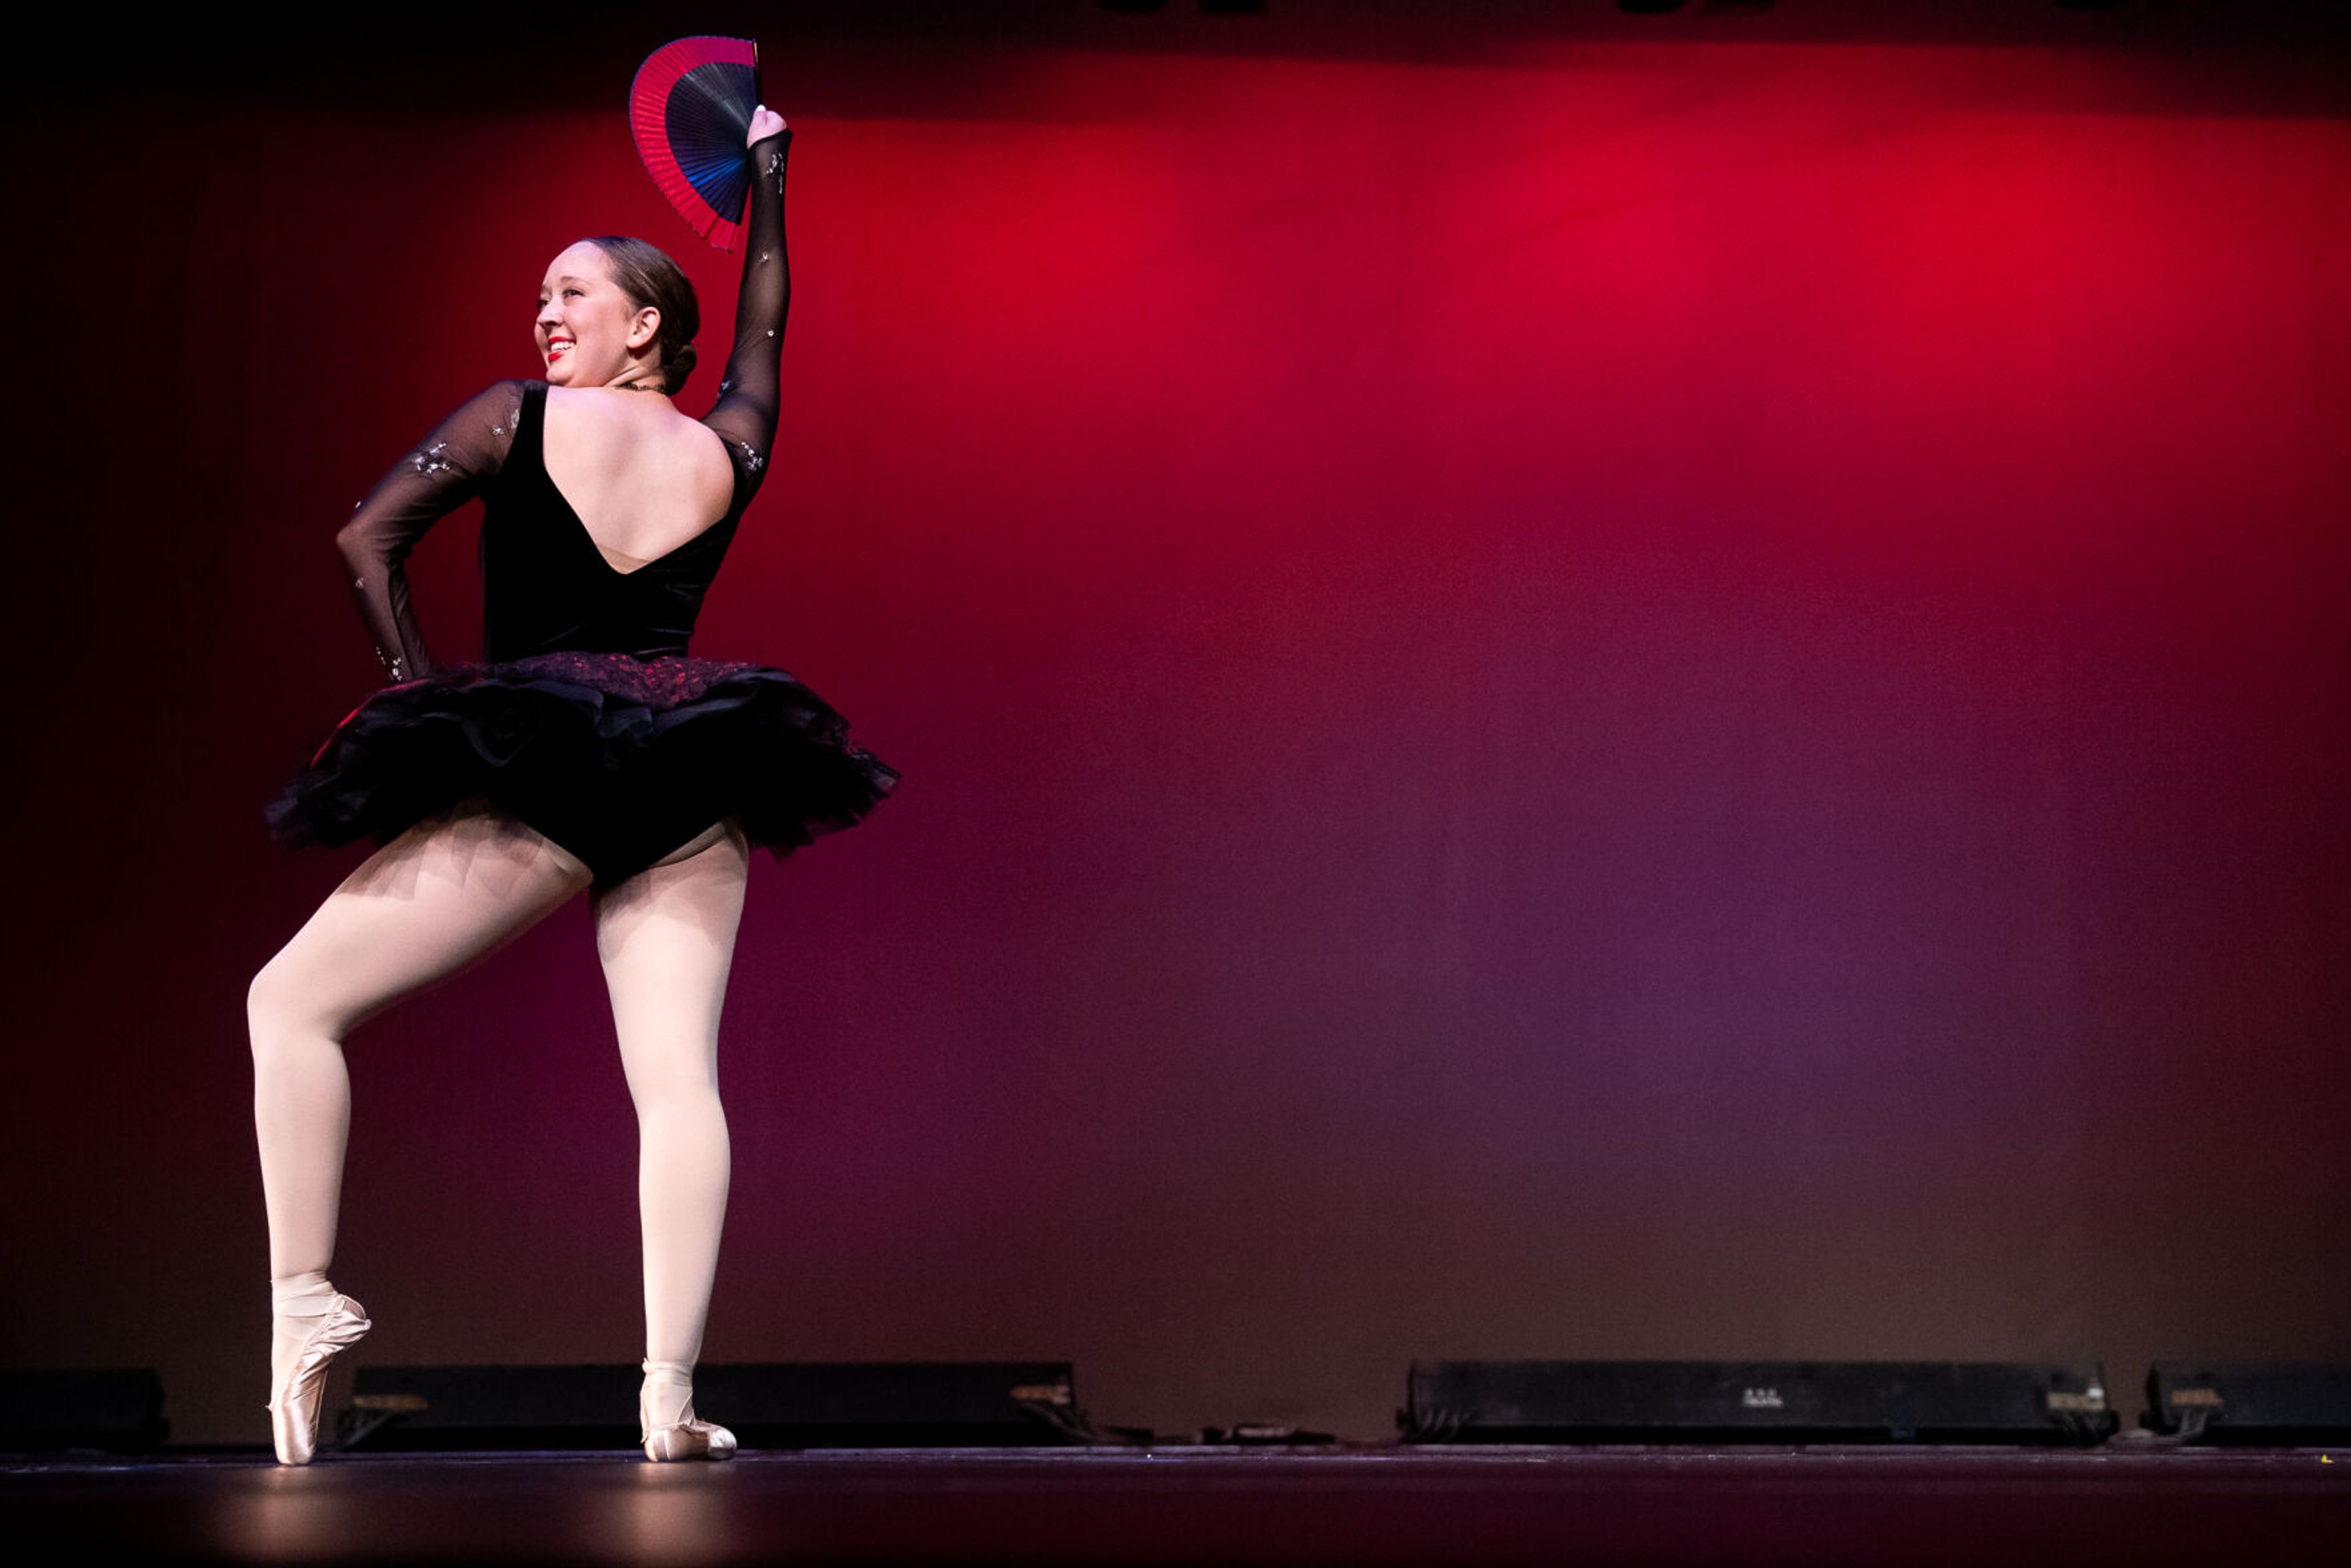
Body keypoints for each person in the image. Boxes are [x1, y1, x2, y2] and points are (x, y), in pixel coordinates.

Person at [249, 105, 894, 1465]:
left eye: (573, 293)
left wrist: (425, 695)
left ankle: (303, 1299)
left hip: (540, 760)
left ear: (647, 321)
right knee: (677, 1084)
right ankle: (668, 1395)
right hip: (693, 756)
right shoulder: (731, 450)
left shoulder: (513, 419)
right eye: (540, 298)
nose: (545, 315)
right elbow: (769, 325)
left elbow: (366, 540)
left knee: (288, 1004)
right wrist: (770, 169)